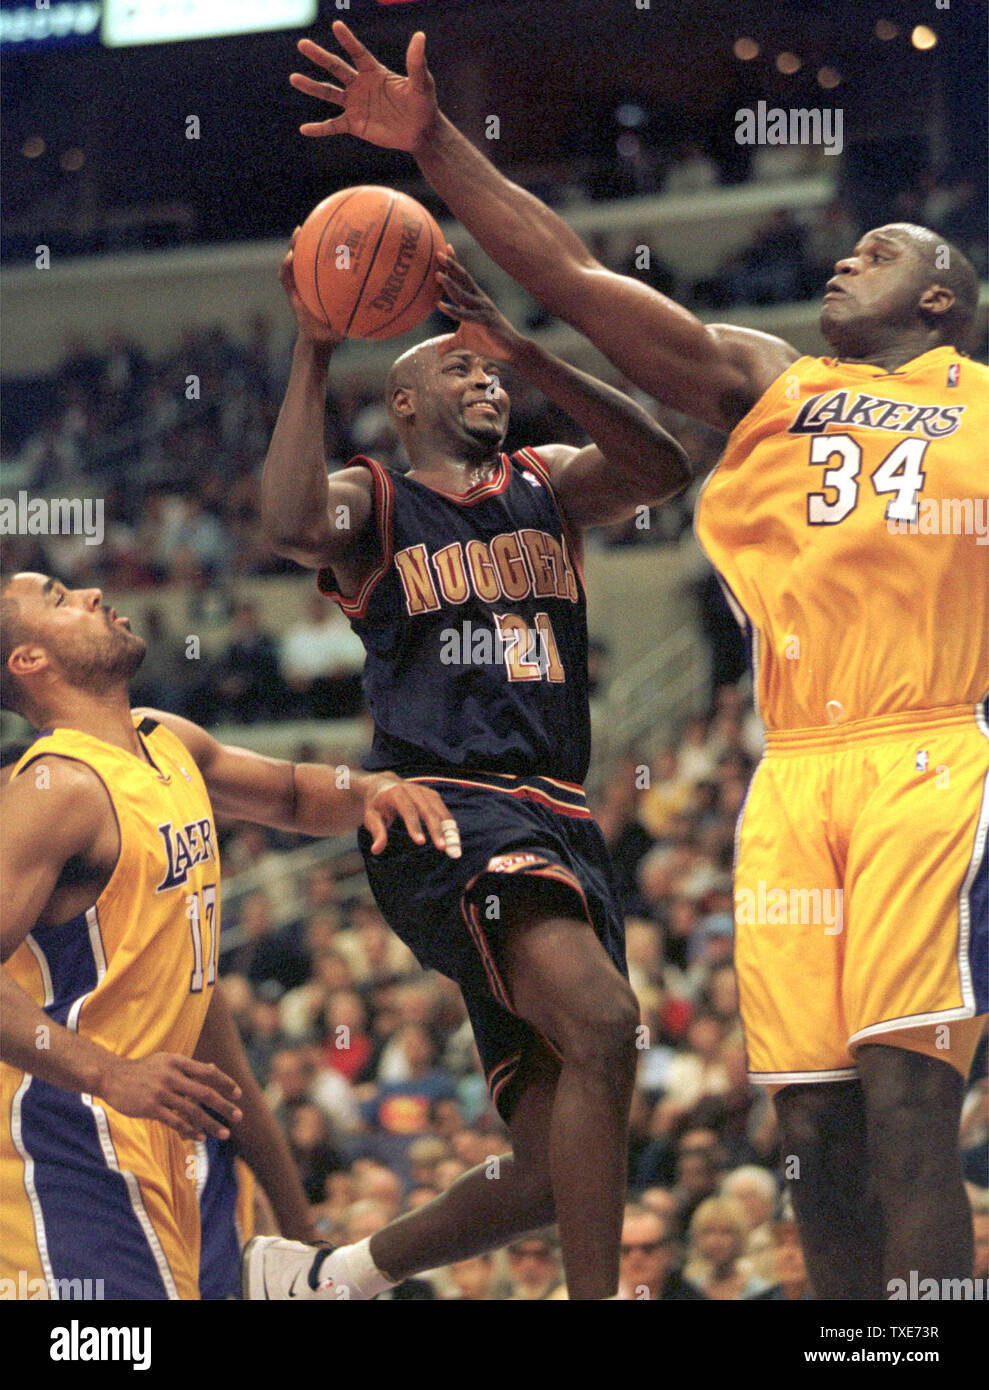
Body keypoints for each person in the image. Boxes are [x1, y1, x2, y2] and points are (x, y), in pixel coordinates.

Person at [288, 21, 988, 1299]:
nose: (848, 253)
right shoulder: (767, 381)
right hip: (790, 779)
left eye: (881, 250)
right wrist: (432, 143)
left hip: (930, 751)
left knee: (901, 1105)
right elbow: (566, 271)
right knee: (813, 1130)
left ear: (940, 299)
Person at [245, 208, 688, 1301]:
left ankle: (325, 1275)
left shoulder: (551, 482)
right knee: (603, 1021)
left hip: (558, 821)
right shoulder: (375, 498)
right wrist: (311, 344)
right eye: (458, 369)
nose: (483, 378)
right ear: (404, 405)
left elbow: (663, 463)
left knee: (546, 1169)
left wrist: (533, 348)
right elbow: (288, 521)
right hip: (443, 817)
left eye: (490, 370)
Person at [0, 571, 459, 1299]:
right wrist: (107, 1073)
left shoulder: (167, 742)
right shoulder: (54, 793)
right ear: (30, 661)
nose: (89, 595)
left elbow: (288, 790)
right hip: (71, 1145)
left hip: (180, 1148)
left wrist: (371, 788)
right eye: (58, 600)